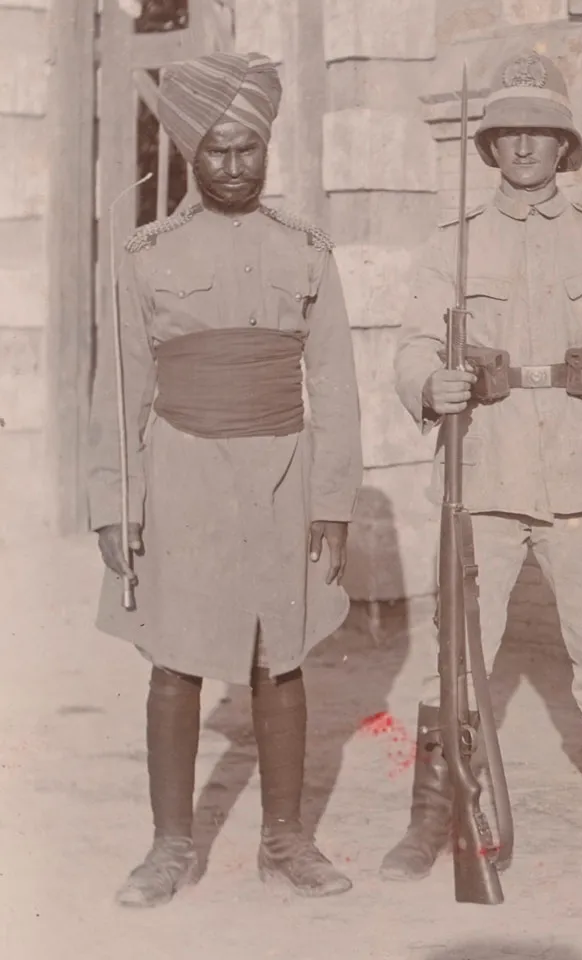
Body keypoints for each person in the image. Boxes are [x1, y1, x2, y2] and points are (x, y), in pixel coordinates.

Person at [385, 51, 582, 879]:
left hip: (580, 474)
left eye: (541, 132)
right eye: (508, 133)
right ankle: (433, 817)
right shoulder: (451, 245)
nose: (524, 146)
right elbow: (413, 344)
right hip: (483, 476)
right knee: (456, 655)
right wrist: (431, 380)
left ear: (565, 147)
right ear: (489, 148)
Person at [90, 51, 363, 907]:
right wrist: (113, 499)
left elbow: (339, 386)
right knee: (176, 661)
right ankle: (171, 847)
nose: (235, 167)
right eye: (217, 151)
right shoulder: (144, 254)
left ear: (267, 148)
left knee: (280, 660)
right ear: (190, 152)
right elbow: (122, 390)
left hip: (283, 471)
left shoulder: (307, 250)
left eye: (250, 149)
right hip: (182, 473)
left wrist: (333, 502)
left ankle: (286, 840)